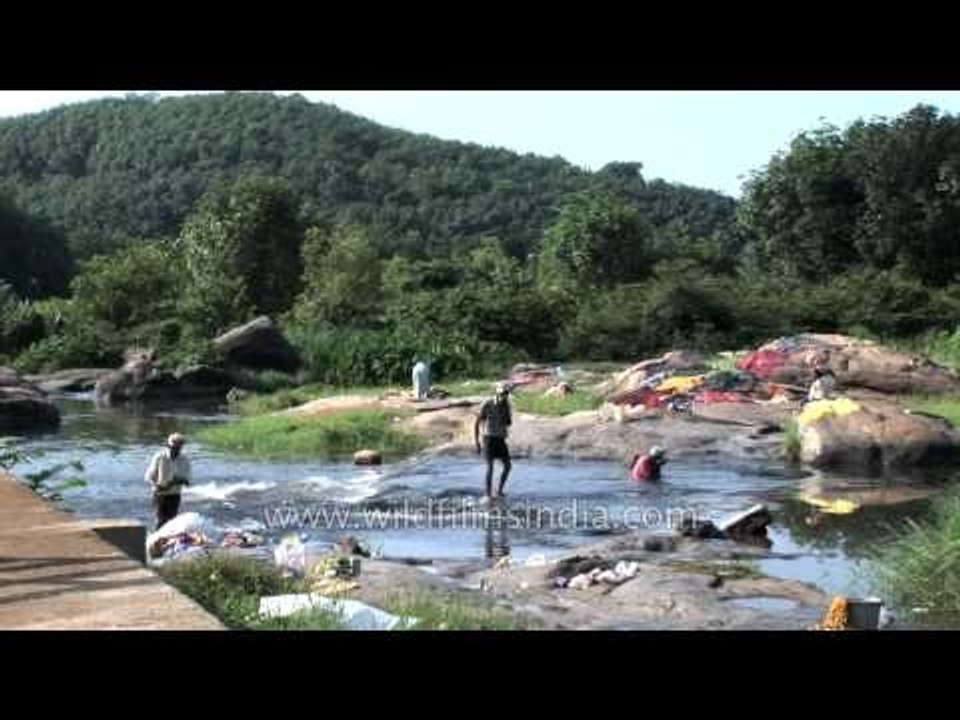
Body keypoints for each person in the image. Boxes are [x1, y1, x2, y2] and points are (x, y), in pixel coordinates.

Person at [145, 433, 192, 530]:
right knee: (160, 520)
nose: (176, 449)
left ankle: (166, 543)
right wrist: (156, 485)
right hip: (159, 494)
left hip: (175, 495)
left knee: (171, 522)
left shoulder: (185, 459)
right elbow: (148, 476)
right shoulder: (160, 457)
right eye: (173, 447)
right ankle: (155, 542)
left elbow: (188, 481)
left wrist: (177, 481)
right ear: (168, 446)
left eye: (179, 447)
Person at [475, 383, 513, 499]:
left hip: (500, 438)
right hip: (489, 437)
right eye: (502, 394)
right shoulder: (487, 403)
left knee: (507, 466)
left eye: (506, 394)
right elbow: (477, 422)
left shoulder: (506, 405)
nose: (504, 396)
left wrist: (506, 413)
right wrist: (477, 441)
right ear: (497, 393)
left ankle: (499, 490)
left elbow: (508, 423)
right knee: (490, 466)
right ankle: (488, 494)